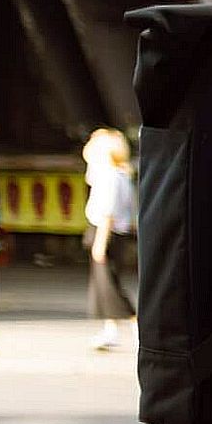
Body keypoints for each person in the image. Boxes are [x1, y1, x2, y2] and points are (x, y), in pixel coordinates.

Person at [81, 127, 136, 350]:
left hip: (106, 232)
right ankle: (110, 329)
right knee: (103, 285)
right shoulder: (121, 175)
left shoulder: (109, 177)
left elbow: (107, 212)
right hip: (115, 233)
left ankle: (135, 323)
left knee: (110, 285)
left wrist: (100, 243)